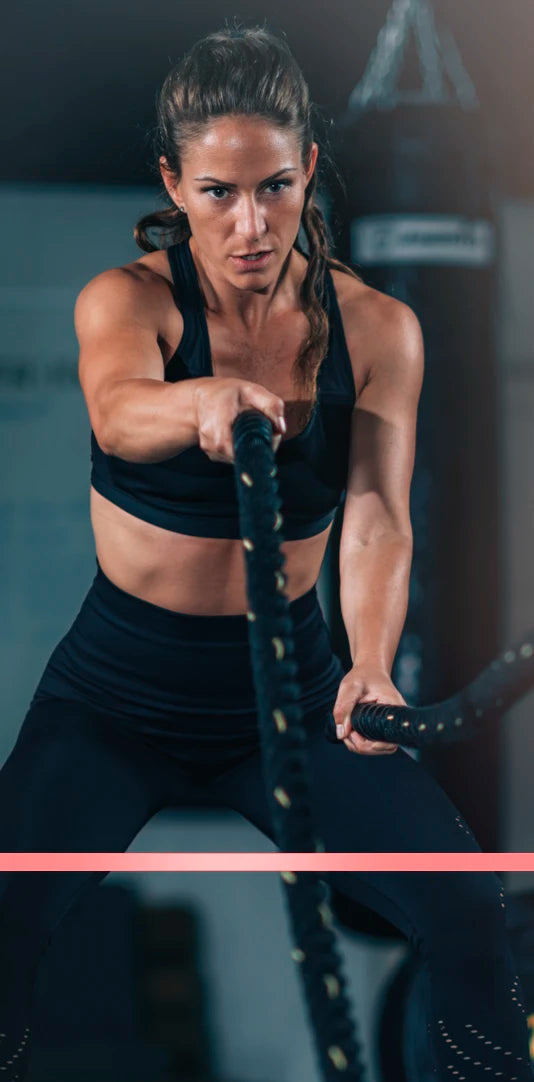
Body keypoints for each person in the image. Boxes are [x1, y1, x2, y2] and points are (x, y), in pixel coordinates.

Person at [0, 23, 531, 1082]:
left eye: (276, 188)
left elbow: (379, 512)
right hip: (115, 692)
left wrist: (373, 661)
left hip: (289, 685)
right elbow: (115, 414)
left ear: (311, 173)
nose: (250, 224)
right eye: (217, 193)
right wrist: (200, 400)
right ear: (173, 180)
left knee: (469, 905)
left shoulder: (382, 328)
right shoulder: (131, 301)